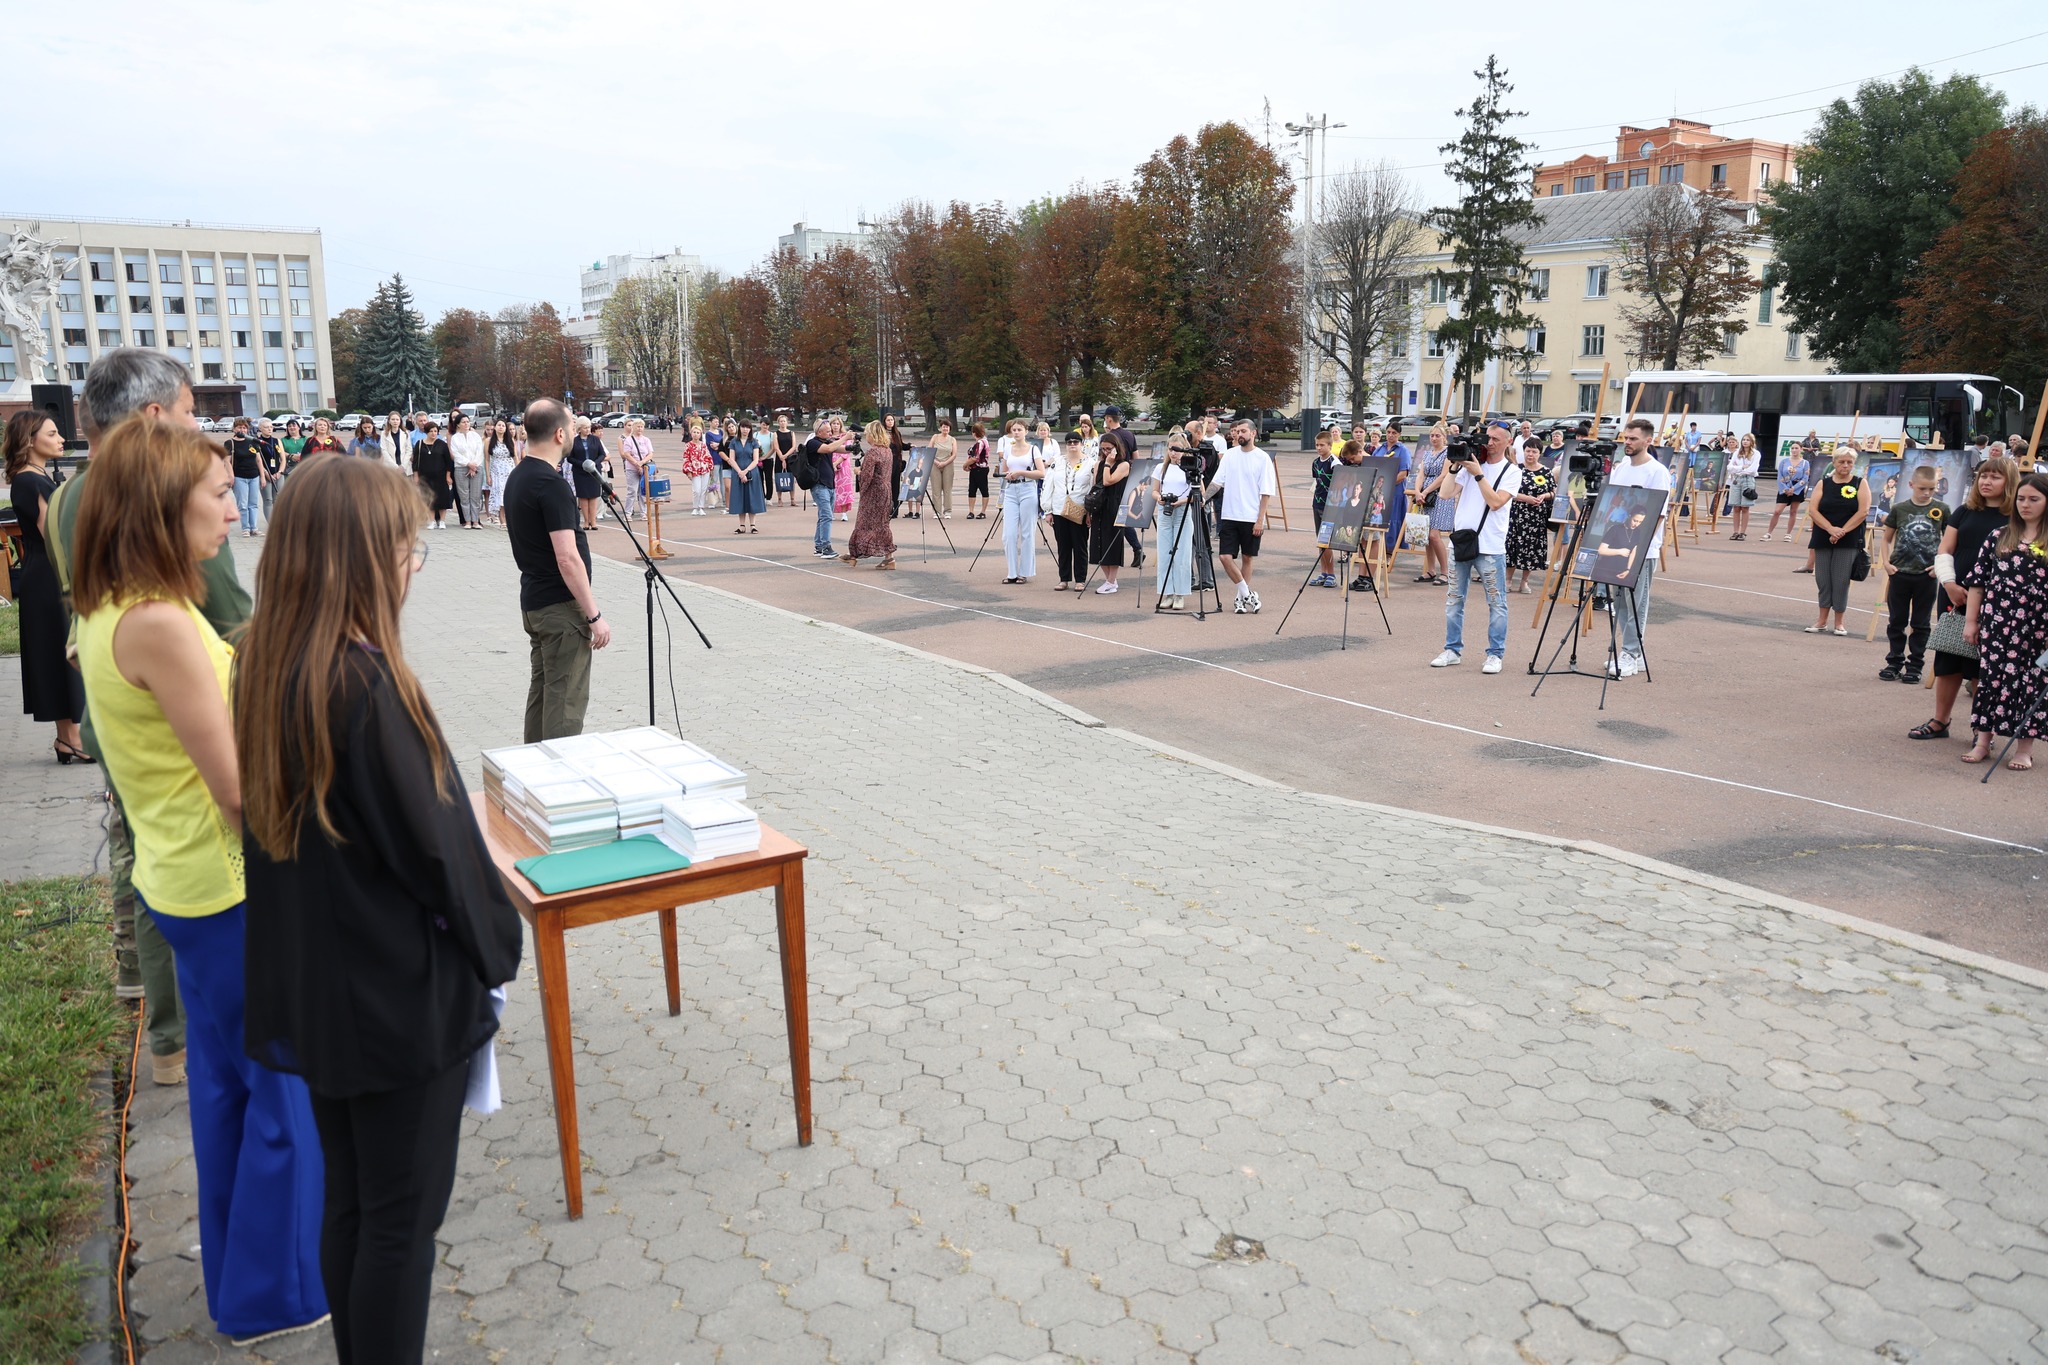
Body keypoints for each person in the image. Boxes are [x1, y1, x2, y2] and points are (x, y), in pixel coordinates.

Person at [236, 456, 523, 1364]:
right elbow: (438, 851)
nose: (412, 569)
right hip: (394, 998)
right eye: (407, 551)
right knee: (399, 1225)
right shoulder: (364, 685)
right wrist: (498, 945)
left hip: (324, 988)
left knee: (354, 1204)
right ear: (359, 559)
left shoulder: (268, 663)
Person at [71, 416, 329, 1347]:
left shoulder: (109, 608)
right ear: (160, 508)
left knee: (227, 1088)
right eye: (217, 495)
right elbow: (236, 789)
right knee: (283, 1092)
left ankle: (240, 1274)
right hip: (227, 886)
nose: (233, 509)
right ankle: (276, 1294)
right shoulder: (161, 623)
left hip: (181, 881)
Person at [47, 348, 246, 1085]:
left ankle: (163, 1028)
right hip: (201, 809)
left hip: (125, 726)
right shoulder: (162, 601)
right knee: (268, 1080)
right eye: (190, 413)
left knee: (138, 855)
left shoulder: (68, 504)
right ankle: (175, 1035)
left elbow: (74, 618)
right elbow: (234, 623)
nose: (231, 510)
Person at [503, 399, 612, 741]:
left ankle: (532, 764)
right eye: (571, 427)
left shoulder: (519, 475)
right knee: (565, 701)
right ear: (560, 434)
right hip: (560, 607)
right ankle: (557, 767)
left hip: (535, 602)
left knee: (543, 691)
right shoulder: (550, 483)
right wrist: (593, 615)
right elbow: (567, 557)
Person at [1912, 457, 2018, 742]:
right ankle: (1940, 720)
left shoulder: (2016, 517)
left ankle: (1982, 731)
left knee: (1983, 665)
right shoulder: (1964, 511)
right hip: (1954, 593)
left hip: (1996, 598)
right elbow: (1945, 549)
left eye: (1995, 477)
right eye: (1983, 476)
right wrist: (1949, 583)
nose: (1986, 481)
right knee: (1948, 658)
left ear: (2009, 482)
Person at [5, 411, 89, 762]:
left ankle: (66, 739)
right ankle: (71, 738)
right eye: (52, 434)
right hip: (50, 575)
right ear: (29, 439)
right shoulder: (29, 480)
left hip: (47, 572)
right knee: (58, 653)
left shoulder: (36, 476)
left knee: (56, 651)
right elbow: (53, 534)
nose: (61, 439)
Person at [1961, 473, 2048, 770]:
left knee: (2030, 684)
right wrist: (1971, 622)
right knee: (1991, 680)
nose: (2025, 504)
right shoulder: (1999, 536)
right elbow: (1977, 583)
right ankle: (1983, 741)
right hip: (1998, 624)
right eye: (2021, 498)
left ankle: (2024, 749)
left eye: (2034, 499)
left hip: (2038, 629)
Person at [1430, 421, 1523, 674]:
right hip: (1461, 542)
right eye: (1487, 438)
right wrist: (1454, 467)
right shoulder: (1470, 464)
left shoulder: (1512, 471)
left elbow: (1496, 502)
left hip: (1490, 547)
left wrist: (1479, 474)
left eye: (1495, 439)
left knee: (1496, 602)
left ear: (1508, 442)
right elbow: (1445, 494)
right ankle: (1452, 650)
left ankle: (1495, 654)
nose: (1489, 443)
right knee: (1454, 599)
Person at [1601, 417, 1675, 676]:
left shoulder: (1657, 472)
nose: (1628, 442)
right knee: (1620, 602)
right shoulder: (1621, 468)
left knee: (1635, 603)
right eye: (1626, 438)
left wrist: (1639, 548)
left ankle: (1630, 653)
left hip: (1642, 549)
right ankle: (1635, 652)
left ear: (1648, 440)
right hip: (1619, 544)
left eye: (1633, 438)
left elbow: (1658, 515)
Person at [1878, 465, 1948, 684]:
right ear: (1911, 485)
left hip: (1926, 575)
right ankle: (1894, 661)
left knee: (1921, 622)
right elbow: (1886, 539)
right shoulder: (1900, 509)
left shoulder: (1942, 509)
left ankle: (1915, 665)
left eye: (1931, 489)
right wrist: (1886, 563)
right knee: (1896, 620)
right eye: (1922, 488)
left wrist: (1939, 566)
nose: (1927, 493)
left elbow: (1949, 541)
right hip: (1899, 573)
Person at [1211, 419, 1277, 614]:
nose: (1239, 434)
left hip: (1251, 517)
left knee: (1247, 557)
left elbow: (1266, 492)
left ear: (1253, 433)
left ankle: (1240, 600)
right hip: (1229, 515)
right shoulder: (1230, 456)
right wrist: (1202, 499)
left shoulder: (1262, 458)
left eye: (1243, 431)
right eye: (1237, 431)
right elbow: (1217, 483)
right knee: (1225, 557)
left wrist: (1260, 520)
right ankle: (1248, 594)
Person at [1804, 447, 1869, 635]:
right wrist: (1830, 529)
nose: (1845, 465)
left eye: (1849, 462)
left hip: (1848, 538)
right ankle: (1821, 621)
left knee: (1841, 580)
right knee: (1823, 580)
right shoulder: (1823, 484)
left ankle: (1839, 622)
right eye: (1841, 462)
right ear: (1834, 463)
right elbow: (1813, 510)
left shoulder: (1860, 483)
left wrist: (1841, 531)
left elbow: (1863, 511)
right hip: (1823, 536)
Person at [841, 420, 898, 570]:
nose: (866, 437)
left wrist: (858, 472)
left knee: (864, 522)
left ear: (873, 435)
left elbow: (867, 476)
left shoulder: (873, 452)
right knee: (882, 524)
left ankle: (854, 554)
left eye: (868, 434)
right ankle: (888, 558)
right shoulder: (887, 450)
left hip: (874, 493)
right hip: (886, 491)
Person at [1043, 431, 1094, 591]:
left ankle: (1080, 579)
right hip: (1059, 508)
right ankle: (1064, 578)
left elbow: (1092, 488)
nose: (1072, 445)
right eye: (1069, 442)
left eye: (1075, 442)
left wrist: (1090, 512)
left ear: (1081, 444)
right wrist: (1047, 510)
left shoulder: (1090, 463)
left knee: (1080, 545)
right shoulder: (1057, 462)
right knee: (1063, 546)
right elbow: (1048, 485)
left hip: (1079, 509)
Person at [997, 418, 1044, 583]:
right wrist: (1008, 475)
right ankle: (1012, 572)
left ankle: (1024, 572)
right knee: (1008, 534)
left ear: (1026, 431)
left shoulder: (1033, 449)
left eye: (1019, 430)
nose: (1016, 432)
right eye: (1014, 430)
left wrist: (1021, 473)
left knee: (1027, 533)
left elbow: (1041, 473)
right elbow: (1004, 470)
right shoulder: (1008, 449)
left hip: (1027, 489)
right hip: (1011, 490)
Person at [1505, 437, 1553, 593]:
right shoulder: (1515, 469)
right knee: (1512, 547)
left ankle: (1524, 582)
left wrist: (1545, 496)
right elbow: (1507, 491)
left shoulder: (1546, 472)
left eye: (1534, 451)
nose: (1530, 454)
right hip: (1517, 515)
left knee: (1531, 549)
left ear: (1540, 454)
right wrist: (1526, 498)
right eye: (1528, 451)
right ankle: (1508, 579)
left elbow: (1554, 491)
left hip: (1536, 518)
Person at [1085, 433, 1131, 594]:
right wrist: (1088, 512)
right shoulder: (1099, 464)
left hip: (1116, 505)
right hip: (1100, 505)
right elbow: (1096, 485)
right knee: (1098, 542)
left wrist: (1108, 464)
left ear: (1116, 448)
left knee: (1113, 542)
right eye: (1103, 449)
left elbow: (1108, 481)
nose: (1106, 452)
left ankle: (1111, 581)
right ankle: (1110, 580)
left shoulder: (1123, 465)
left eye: (1109, 449)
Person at [1154, 442, 1196, 610]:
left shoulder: (1190, 469)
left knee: (1182, 554)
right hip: (1165, 511)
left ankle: (1180, 594)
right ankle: (1167, 592)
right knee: (1164, 554)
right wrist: (1159, 497)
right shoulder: (1161, 468)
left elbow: (1199, 493)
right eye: (1171, 449)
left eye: (1177, 450)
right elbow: (1154, 490)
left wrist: (1182, 501)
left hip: (1182, 511)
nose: (1174, 453)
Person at [798, 419, 846, 558]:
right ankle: (825, 547)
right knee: (826, 516)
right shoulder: (813, 443)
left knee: (823, 517)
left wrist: (852, 446)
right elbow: (829, 449)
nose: (831, 433)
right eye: (828, 431)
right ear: (819, 432)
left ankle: (819, 546)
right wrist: (845, 437)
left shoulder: (828, 442)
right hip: (819, 485)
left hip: (830, 484)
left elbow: (840, 449)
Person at [1415, 426, 1454, 586]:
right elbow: (1421, 474)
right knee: (1426, 535)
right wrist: (1417, 491)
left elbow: (1444, 475)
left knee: (1434, 535)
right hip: (1425, 496)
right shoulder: (1427, 454)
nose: (1434, 438)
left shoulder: (1448, 453)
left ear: (1444, 437)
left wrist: (1426, 491)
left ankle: (1445, 572)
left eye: (1437, 435)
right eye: (1432, 435)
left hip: (1440, 494)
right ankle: (1431, 570)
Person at [412, 419, 456, 530]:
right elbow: (415, 462)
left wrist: (448, 476)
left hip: (440, 476)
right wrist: (416, 476)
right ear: (426, 432)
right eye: (431, 431)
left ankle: (442, 521)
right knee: (429, 499)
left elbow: (448, 461)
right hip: (425, 476)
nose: (433, 433)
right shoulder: (419, 444)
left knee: (442, 498)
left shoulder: (442, 445)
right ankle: (431, 521)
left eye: (435, 431)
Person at [1309, 426, 1339, 588]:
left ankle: (1331, 574)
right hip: (1317, 503)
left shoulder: (1334, 462)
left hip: (1330, 506)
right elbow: (1317, 481)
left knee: (1326, 540)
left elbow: (1339, 484)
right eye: (1317, 445)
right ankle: (1323, 572)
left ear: (1330, 445)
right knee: (1320, 541)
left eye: (1322, 445)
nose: (1319, 448)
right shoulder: (1315, 462)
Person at [225, 417, 264, 537]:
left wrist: (262, 476)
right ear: (234, 429)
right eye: (239, 427)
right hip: (239, 476)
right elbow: (227, 461)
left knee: (253, 503)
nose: (242, 430)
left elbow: (258, 460)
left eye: (244, 428)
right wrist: (231, 476)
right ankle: (245, 528)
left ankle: (254, 528)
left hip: (254, 476)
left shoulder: (252, 441)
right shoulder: (230, 443)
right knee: (243, 504)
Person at [726, 417, 765, 533]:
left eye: (747, 427)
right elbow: (731, 459)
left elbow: (756, 460)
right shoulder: (734, 442)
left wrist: (746, 471)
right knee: (740, 498)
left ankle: (753, 525)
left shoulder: (754, 442)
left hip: (752, 472)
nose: (745, 430)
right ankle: (742, 525)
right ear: (739, 428)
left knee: (751, 497)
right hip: (737, 473)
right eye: (743, 427)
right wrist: (740, 472)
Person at [1766, 435, 1808, 544]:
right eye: (1792, 448)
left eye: (1796, 448)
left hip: (1797, 488)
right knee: (1777, 511)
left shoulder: (1805, 463)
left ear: (1801, 449)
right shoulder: (1784, 462)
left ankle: (1788, 534)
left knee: (1793, 511)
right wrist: (1785, 489)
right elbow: (1780, 476)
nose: (1794, 450)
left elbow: (1805, 478)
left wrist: (1794, 488)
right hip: (1784, 486)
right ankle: (1769, 533)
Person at [567, 416, 606, 531]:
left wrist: (594, 463)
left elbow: (602, 454)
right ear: (579, 429)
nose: (588, 430)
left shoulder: (595, 440)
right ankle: (586, 521)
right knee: (583, 496)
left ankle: (593, 521)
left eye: (589, 427)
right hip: (580, 472)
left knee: (593, 496)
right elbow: (570, 458)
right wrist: (582, 464)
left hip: (594, 472)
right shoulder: (574, 441)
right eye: (585, 428)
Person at [449, 413, 485, 529]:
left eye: (467, 422)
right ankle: (468, 521)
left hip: (476, 467)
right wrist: (468, 464)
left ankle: (475, 521)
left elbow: (480, 452)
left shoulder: (475, 436)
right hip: (461, 468)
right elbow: (456, 454)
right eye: (463, 422)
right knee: (464, 496)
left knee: (475, 495)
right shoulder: (455, 438)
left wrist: (474, 465)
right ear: (458, 424)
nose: (466, 424)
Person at [1724, 433, 1761, 540]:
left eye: (1747, 440)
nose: (1745, 441)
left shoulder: (1756, 453)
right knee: (1736, 506)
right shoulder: (1737, 452)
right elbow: (1729, 467)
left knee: (1745, 507)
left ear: (1752, 442)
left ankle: (1742, 532)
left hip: (1748, 480)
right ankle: (1735, 531)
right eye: (1744, 439)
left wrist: (1738, 470)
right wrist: (1741, 467)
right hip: (1736, 480)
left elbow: (1753, 470)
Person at [485, 417, 518, 526]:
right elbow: (487, 459)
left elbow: (515, 457)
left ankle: (510, 519)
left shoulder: (510, 440)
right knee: (500, 495)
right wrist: (488, 475)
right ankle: (502, 520)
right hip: (497, 471)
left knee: (509, 494)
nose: (501, 427)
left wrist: (519, 472)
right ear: (495, 427)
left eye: (503, 426)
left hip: (509, 469)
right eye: (499, 425)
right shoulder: (489, 441)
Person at [618, 417, 651, 522]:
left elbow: (650, 453)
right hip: (632, 468)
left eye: (641, 427)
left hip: (644, 468)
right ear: (634, 428)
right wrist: (637, 464)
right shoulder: (629, 439)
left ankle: (643, 513)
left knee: (643, 491)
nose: (640, 429)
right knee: (632, 491)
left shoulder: (646, 440)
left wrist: (642, 462)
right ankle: (628, 513)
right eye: (638, 427)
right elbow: (626, 454)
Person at [680, 419, 714, 516]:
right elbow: (686, 458)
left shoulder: (703, 445)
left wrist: (711, 468)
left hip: (705, 469)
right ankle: (695, 507)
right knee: (696, 490)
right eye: (694, 432)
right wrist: (688, 471)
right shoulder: (688, 445)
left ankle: (701, 507)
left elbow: (708, 456)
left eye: (698, 433)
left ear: (700, 434)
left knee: (703, 489)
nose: (696, 434)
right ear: (691, 433)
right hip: (694, 470)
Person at [255, 419, 285, 524]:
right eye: (266, 427)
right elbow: (257, 460)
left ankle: (278, 522)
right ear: (260, 428)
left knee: (277, 499)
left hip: (278, 474)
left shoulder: (277, 441)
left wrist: (280, 472)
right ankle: (271, 524)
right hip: (265, 474)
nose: (269, 429)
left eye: (271, 427)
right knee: (268, 499)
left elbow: (283, 459)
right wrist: (265, 473)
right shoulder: (256, 441)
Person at [883, 411, 910, 517]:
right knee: (887, 486)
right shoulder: (882, 433)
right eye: (888, 420)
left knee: (895, 486)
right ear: (884, 422)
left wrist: (910, 446)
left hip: (896, 462)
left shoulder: (896, 433)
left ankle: (895, 510)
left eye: (892, 420)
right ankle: (886, 509)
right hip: (886, 462)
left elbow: (901, 445)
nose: (890, 422)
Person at [963, 422, 991, 518]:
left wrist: (965, 465)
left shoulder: (980, 443)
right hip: (977, 468)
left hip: (979, 468)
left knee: (978, 489)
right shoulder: (984, 441)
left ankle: (978, 511)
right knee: (974, 489)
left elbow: (975, 458)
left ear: (974, 433)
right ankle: (976, 511)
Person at [930, 418, 957, 518]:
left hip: (948, 464)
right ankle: (937, 511)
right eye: (944, 427)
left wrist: (945, 463)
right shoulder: (935, 437)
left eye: (947, 427)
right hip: (935, 464)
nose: (945, 428)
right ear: (940, 428)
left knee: (947, 489)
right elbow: (929, 450)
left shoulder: (952, 439)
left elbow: (954, 454)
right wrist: (936, 461)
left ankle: (947, 511)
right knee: (936, 489)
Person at [831, 420, 856, 522]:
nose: (835, 426)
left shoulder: (846, 436)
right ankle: (831, 511)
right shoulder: (828, 437)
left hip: (843, 466)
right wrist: (832, 464)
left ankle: (844, 513)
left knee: (844, 489)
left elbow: (847, 451)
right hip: (830, 465)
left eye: (837, 424)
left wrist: (836, 463)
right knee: (832, 489)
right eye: (834, 424)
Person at [770, 414, 798, 507]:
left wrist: (786, 456)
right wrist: (782, 458)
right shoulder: (776, 434)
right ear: (778, 423)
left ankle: (792, 499)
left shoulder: (791, 433)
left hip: (790, 458)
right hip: (779, 458)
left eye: (784, 421)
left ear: (787, 422)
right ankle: (779, 499)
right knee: (779, 477)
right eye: (781, 421)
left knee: (791, 477)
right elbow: (776, 447)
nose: (782, 423)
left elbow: (794, 446)